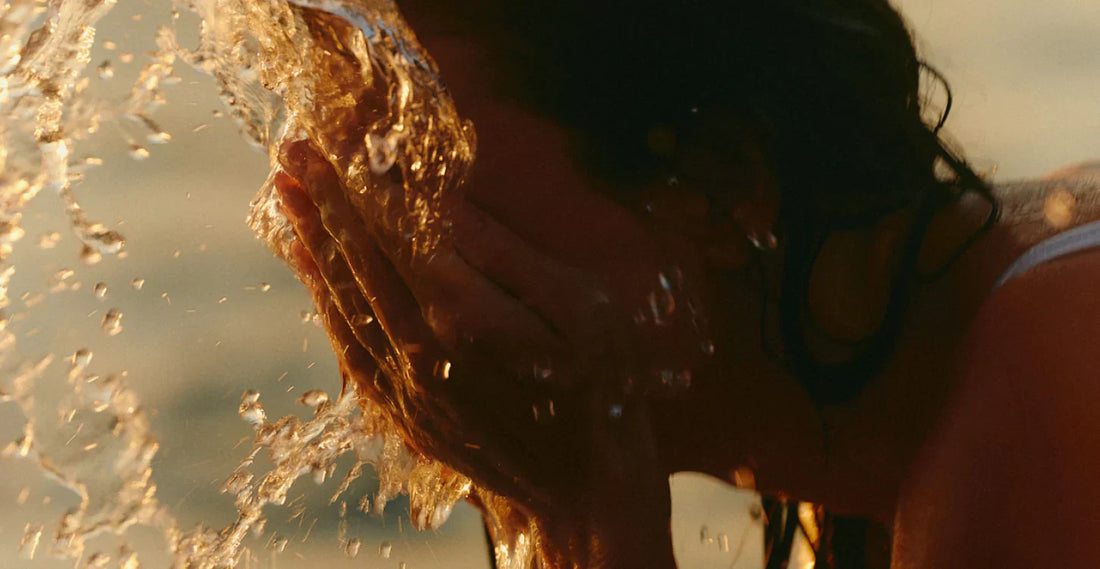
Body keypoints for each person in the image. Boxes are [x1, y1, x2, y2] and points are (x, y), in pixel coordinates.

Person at [271, 0, 1100, 567]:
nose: (367, 252)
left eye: (413, 160)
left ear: (716, 183)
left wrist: (581, 514)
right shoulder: (917, 391)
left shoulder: (1051, 391)